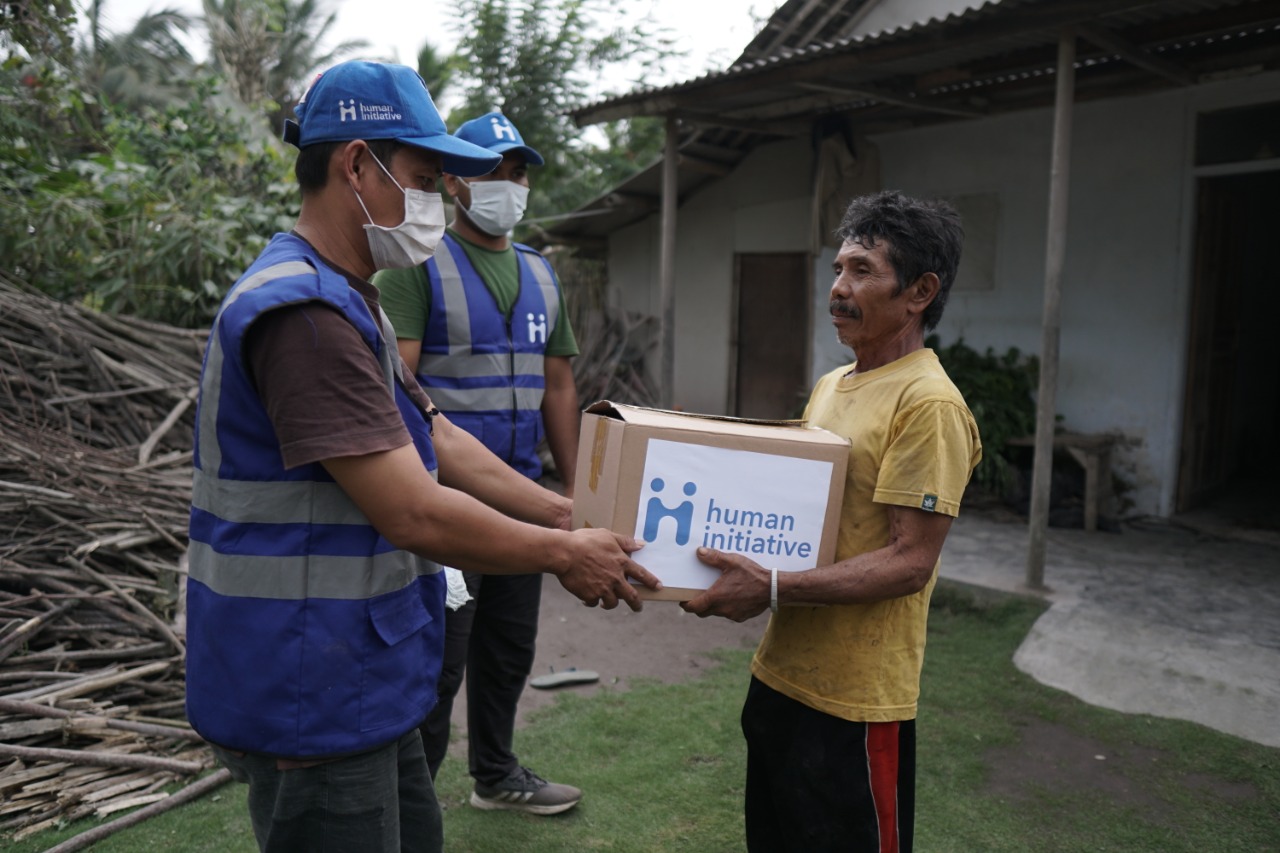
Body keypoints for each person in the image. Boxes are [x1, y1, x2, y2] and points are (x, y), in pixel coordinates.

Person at [184, 61, 660, 853]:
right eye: (424, 176)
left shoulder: (348, 292)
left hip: (360, 677)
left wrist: (562, 509)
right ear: (356, 164)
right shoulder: (304, 315)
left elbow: (434, 431)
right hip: (312, 686)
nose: (436, 200)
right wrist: (562, 553)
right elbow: (409, 506)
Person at [682, 190, 982, 853]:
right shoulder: (831, 384)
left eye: (862, 272)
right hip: (781, 677)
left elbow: (910, 560)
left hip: (856, 704)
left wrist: (772, 586)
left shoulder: (927, 403)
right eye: (838, 270)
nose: (839, 289)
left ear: (920, 291)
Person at [373, 111, 584, 815]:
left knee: (508, 651)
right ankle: (413, 800)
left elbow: (559, 384)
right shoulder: (416, 267)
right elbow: (399, 389)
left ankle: (496, 774)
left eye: (518, 171)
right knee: (439, 664)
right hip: (448, 505)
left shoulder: (542, 275)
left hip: (522, 498)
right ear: (456, 180)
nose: (510, 184)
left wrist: (580, 487)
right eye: (494, 168)